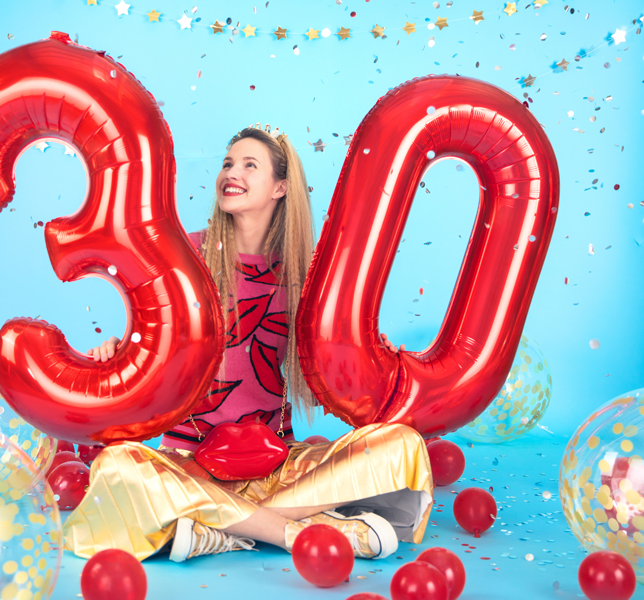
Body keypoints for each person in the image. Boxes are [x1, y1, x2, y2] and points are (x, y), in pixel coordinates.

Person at [65, 124, 433, 564]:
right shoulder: (184, 255)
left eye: (249, 164)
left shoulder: (307, 273)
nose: (231, 173)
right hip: (188, 463)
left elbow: (335, 367)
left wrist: (367, 354)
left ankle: (217, 529)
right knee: (117, 466)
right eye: (227, 163)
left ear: (280, 187)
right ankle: (293, 531)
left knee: (401, 444)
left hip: (279, 463)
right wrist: (119, 351)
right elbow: (154, 343)